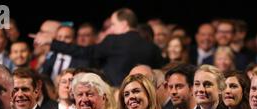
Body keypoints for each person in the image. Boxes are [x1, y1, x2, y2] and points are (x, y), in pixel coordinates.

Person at [35, 8, 164, 86]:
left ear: (124, 24)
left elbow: (85, 52)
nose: (111, 29)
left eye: (113, 24)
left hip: (116, 96)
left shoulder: (113, 41)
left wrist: (53, 42)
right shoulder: (153, 48)